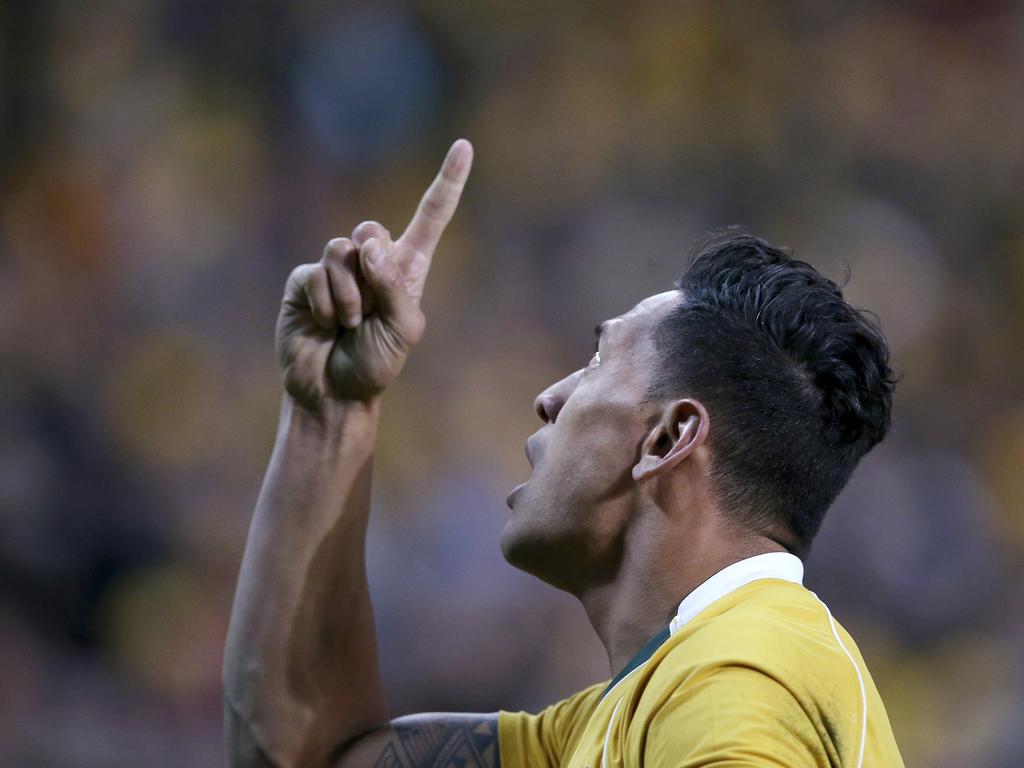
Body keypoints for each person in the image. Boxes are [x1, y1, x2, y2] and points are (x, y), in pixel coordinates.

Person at [223, 139, 905, 767]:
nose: (551, 397)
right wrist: (330, 412)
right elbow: (305, 755)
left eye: (599, 359)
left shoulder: (743, 680)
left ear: (668, 439)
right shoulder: (627, 713)